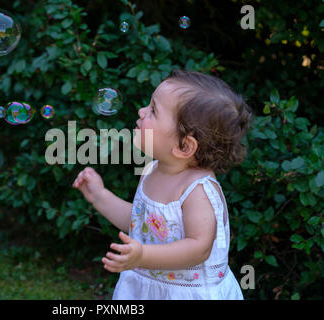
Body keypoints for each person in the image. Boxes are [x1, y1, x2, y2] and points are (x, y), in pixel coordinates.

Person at [72, 69, 252, 300]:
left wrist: (143, 255)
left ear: (184, 146)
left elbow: (199, 248)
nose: (141, 111)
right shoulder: (152, 170)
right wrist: (99, 196)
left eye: (153, 110)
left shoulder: (198, 191)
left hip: (187, 294)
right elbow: (142, 223)